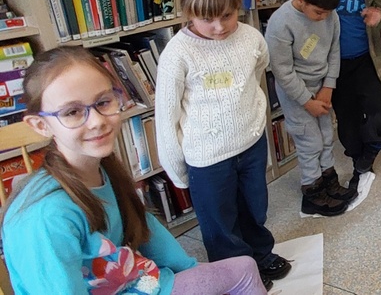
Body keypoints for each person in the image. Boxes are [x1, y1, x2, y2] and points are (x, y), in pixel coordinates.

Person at [1, 47, 269, 294]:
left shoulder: (102, 168)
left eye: (103, 102)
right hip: (126, 285)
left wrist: (189, 270)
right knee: (243, 270)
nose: (96, 122)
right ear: (40, 125)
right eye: (72, 112)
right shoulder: (44, 218)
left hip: (133, 280)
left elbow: (143, 225)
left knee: (243, 268)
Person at [155, 0, 290, 288]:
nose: (219, 27)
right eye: (207, 19)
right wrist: (177, 169)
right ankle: (235, 273)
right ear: (189, 14)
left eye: (227, 16)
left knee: (254, 208)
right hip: (207, 157)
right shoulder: (178, 54)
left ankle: (260, 254)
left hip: (251, 143)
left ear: (237, 8)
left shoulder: (251, 37)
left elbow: (257, 71)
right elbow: (166, 116)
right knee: (220, 221)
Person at [245, 0, 381, 188]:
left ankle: (372, 148)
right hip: (332, 68)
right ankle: (358, 158)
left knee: (377, 113)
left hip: (365, 62)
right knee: (346, 122)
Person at [265, 0, 357, 217]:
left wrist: (328, 87)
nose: (323, 17)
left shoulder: (330, 14)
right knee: (310, 142)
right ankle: (312, 192)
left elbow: (334, 52)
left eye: (327, 13)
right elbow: (282, 71)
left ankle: (329, 182)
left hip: (321, 86)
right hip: (295, 92)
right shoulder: (280, 23)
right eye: (318, 12)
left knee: (326, 135)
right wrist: (307, 101)